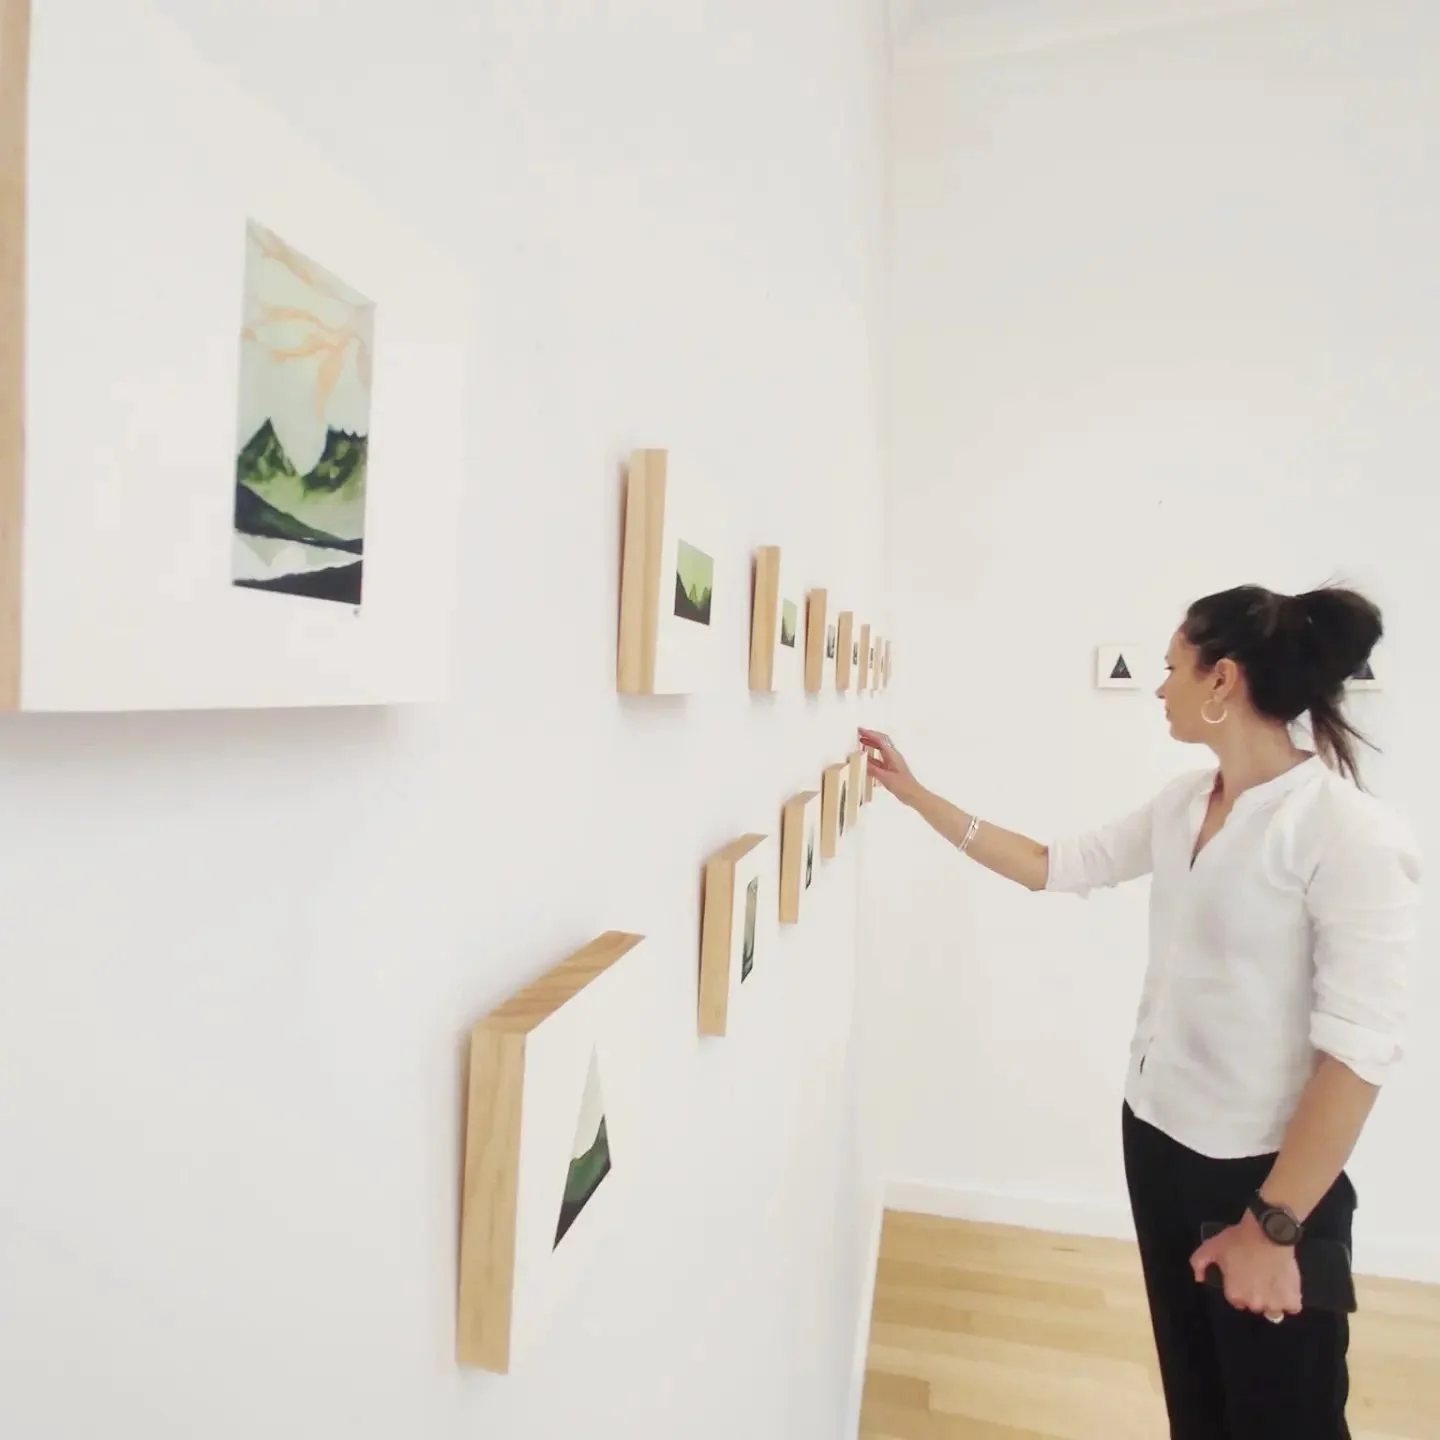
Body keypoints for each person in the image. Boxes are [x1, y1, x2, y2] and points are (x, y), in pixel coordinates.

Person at [859, 584, 1421, 1440]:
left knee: (1285, 1416)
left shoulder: (1349, 836)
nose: (1160, 687)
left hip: (1266, 1178)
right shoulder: (1184, 803)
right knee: (1196, 1397)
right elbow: (1051, 864)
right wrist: (914, 794)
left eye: (1172, 667)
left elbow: (1358, 1056)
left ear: (1220, 679)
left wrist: (1272, 1226)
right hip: (1155, 1138)